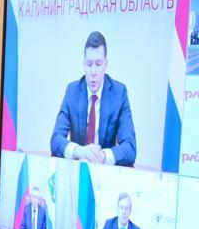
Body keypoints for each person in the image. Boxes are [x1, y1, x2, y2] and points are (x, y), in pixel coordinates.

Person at [50, 31, 136, 167]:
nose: (93, 72)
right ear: (83, 64)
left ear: (106, 64)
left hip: (106, 175)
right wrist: (80, 151)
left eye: (98, 64)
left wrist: (101, 155)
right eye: (89, 64)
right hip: (77, 172)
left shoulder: (119, 94)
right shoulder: (72, 92)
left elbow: (130, 149)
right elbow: (56, 140)